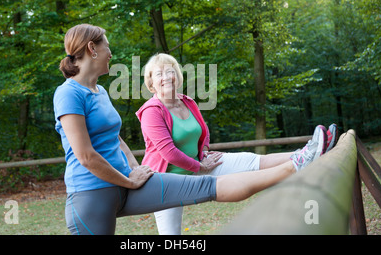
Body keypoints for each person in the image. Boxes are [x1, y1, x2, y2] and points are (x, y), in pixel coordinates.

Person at [54, 24, 331, 235]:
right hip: (93, 196)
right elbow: (86, 156)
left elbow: (117, 140)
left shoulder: (99, 91)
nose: (110, 53)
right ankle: (297, 162)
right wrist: (128, 180)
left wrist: (135, 169)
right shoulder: (68, 94)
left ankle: (296, 164)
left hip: (127, 183)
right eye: (106, 47)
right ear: (92, 49)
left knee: (209, 186)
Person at [136, 53, 338, 235]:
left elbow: (203, 131)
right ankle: (306, 154)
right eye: (159, 74)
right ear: (151, 83)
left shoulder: (187, 101)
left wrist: (204, 152)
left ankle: (308, 152)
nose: (166, 77)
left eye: (170, 71)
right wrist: (200, 165)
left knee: (250, 160)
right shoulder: (151, 111)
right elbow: (169, 153)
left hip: (199, 166)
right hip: (167, 181)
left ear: (177, 76)